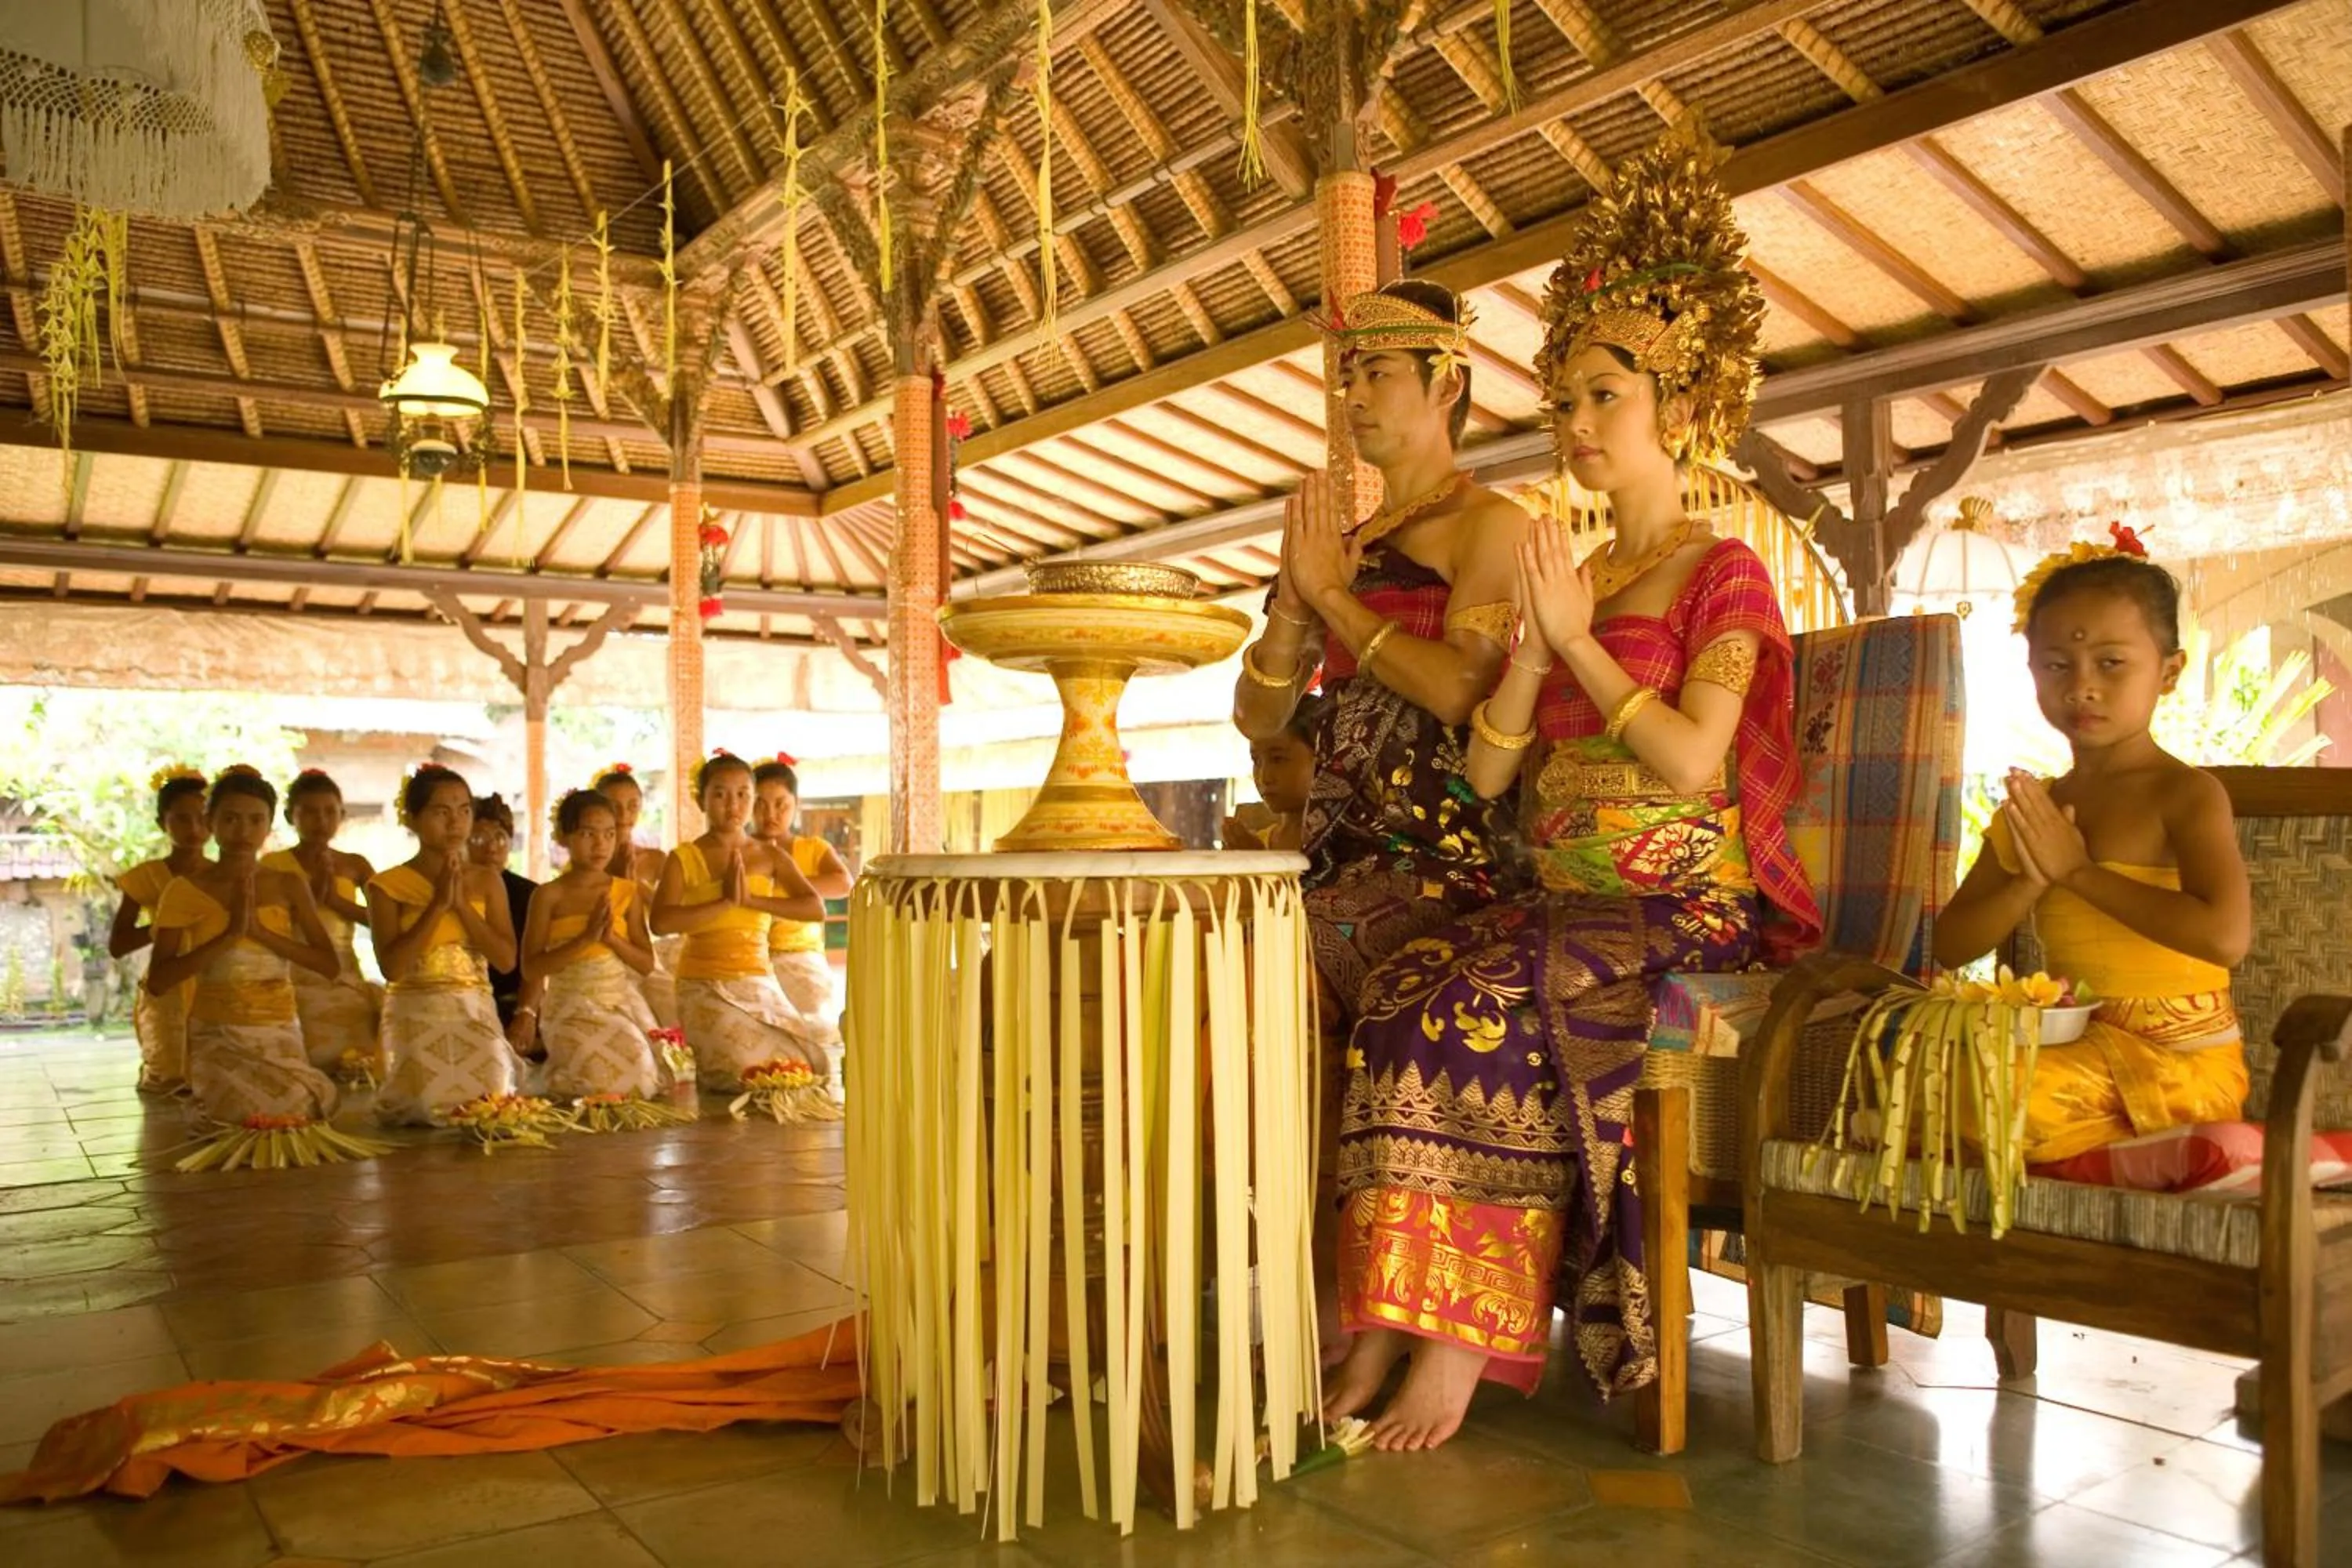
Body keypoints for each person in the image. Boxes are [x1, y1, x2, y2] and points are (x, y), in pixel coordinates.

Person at [1327, 133, 1821, 1451]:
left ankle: (1462, 1349)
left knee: (1469, 1010)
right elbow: (1492, 770)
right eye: (1564, 403)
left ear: (1680, 403)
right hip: (1563, 901)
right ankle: (1388, 1323)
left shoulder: (1728, 575)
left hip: (1681, 915)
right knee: (1399, 989)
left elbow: (1695, 761)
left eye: (1606, 397)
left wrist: (1580, 650)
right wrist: (1526, 659)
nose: (1579, 425)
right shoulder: (1574, 575)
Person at [1231, 279, 1529, 1029]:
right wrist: (1296, 603)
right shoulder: (1344, 543)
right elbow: (1260, 717)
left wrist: (1333, 599)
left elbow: (1463, 687)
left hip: (1442, 864)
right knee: (1191, 941)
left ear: (1446, 383)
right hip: (1331, 857)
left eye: (1378, 373)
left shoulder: (1489, 526)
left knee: (1259, 972)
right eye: (1348, 379)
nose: (1353, 397)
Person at [1933, 528, 2252, 1165]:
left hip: (2183, 1069)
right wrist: (2029, 880)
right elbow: (1949, 944)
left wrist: (2076, 871)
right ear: (2031, 672)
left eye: (2111, 663)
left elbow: (2225, 938)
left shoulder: (2187, 794)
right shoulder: (2035, 810)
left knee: (1993, 1098)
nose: (2082, 686)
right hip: (2074, 1051)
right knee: (1922, 1074)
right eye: (2057, 664)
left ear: (2169, 672)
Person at [144, 768, 342, 1128]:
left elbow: (328, 964)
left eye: (255, 820)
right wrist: (229, 935)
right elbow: (159, 981)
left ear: (269, 827)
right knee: (241, 1119)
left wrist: (260, 933)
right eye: (231, 819)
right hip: (218, 1035)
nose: (243, 831)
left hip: (278, 1029)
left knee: (295, 1113)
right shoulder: (184, 889)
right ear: (210, 822)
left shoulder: (287, 884)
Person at [652, 751, 833, 1091]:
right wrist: (723, 903)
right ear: (701, 800)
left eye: (742, 795)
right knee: (748, 1071)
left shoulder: (769, 854)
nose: (733, 805)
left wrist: (751, 901)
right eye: (720, 794)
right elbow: (661, 922)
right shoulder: (684, 858)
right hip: (703, 985)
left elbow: (814, 908)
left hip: (757, 980)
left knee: (803, 1066)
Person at [366, 764, 524, 1125]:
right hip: (415, 1013)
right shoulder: (387, 886)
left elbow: (505, 960)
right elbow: (392, 968)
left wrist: (462, 907)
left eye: (464, 810)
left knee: (490, 1100)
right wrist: (436, 906)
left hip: (474, 1011)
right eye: (441, 812)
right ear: (412, 819)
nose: (455, 822)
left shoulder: (487, 881)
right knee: (427, 1105)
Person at [524, 789, 666, 1102]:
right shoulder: (549, 895)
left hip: (614, 1005)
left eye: (609, 834)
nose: (600, 844)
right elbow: (531, 966)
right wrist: (584, 940)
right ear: (564, 837)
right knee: (593, 1085)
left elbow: (645, 963)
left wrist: (611, 940)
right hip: (568, 1010)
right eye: (588, 834)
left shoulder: (627, 892)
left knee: (641, 1082)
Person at [260, 770, 382, 1076]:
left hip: (344, 973)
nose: (321, 820)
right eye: (310, 812)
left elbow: (385, 920)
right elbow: (268, 924)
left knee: (363, 1051)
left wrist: (338, 903)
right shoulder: (272, 866)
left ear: (342, 815)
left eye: (330, 812)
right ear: (290, 816)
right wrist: (310, 899)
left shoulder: (356, 864)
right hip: (293, 972)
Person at [109, 768, 211, 1092]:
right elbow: (118, 945)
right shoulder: (146, 877)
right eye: (182, 819)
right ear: (161, 824)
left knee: (214, 1076)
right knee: (170, 1077)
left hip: (214, 980)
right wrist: (162, 928)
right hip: (166, 988)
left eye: (203, 817)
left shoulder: (226, 876)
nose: (194, 828)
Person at [751, 755, 851, 1025]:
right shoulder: (740, 850)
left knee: (814, 1017)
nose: (770, 814)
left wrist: (785, 884)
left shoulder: (813, 848)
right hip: (748, 953)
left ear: (796, 805)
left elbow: (843, 883)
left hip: (798, 953)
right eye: (760, 804)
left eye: (781, 804)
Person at [597, 763, 677, 1029]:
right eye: (614, 805)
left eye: (632, 805)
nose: (624, 815)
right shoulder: (586, 867)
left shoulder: (655, 860)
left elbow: (667, 919)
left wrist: (635, 886)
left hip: (653, 955)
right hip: (607, 957)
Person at [469, 793, 541, 1056]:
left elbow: (536, 963)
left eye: (500, 837)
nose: (491, 847)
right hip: (466, 1001)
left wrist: (527, 1013)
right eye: (478, 838)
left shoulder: (530, 893)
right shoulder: (450, 888)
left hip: (515, 1001)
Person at [1223, 691, 1325, 851]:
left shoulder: (1338, 845)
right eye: (1256, 760)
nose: (1264, 777)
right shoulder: (1257, 841)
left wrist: (1260, 864)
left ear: (1321, 756)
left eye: (1278, 759)